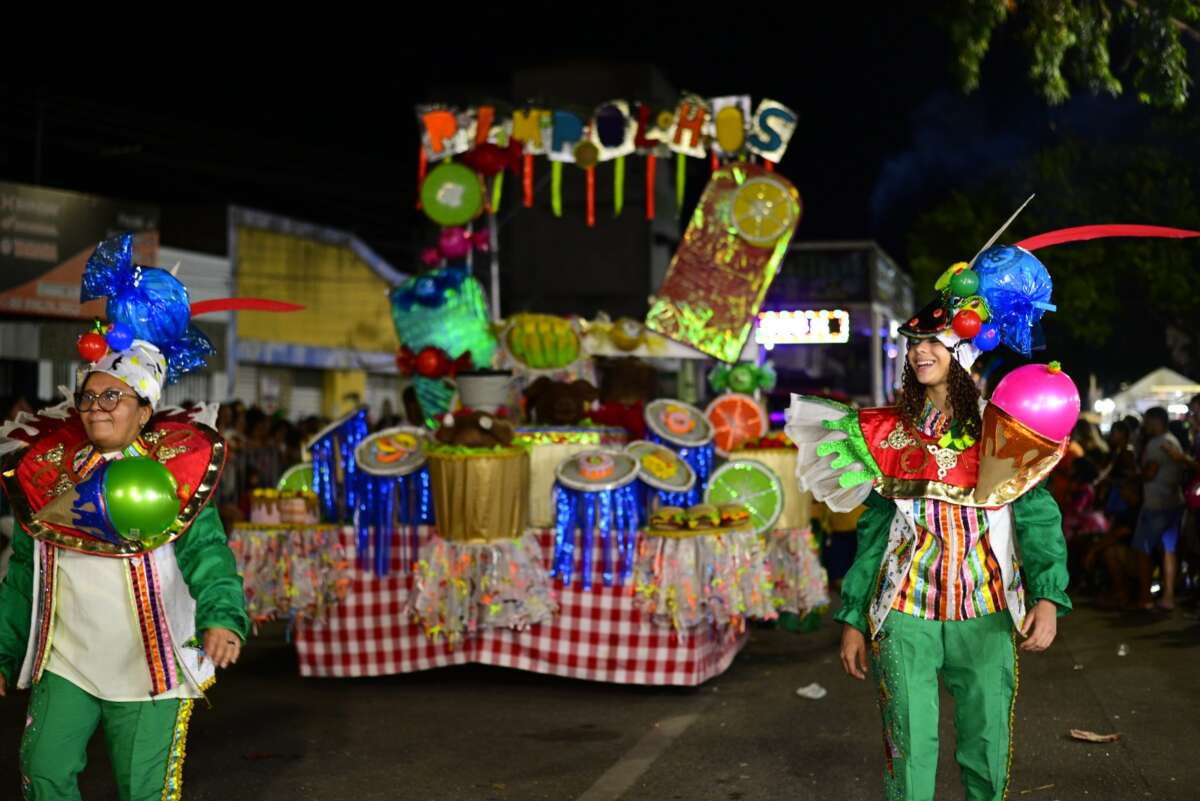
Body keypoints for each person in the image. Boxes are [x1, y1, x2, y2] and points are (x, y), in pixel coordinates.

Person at [787, 243, 1072, 801]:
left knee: (987, 743)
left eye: (932, 342)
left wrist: (1047, 595)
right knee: (909, 745)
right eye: (913, 343)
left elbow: (1037, 516)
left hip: (986, 611)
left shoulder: (1003, 427)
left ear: (963, 351)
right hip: (905, 612)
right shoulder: (886, 433)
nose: (919, 352)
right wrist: (852, 617)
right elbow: (873, 533)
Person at [0, 235, 251, 800]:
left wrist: (222, 617)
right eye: (89, 398)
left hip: (149, 665)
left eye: (113, 398)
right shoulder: (48, 473)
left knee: (144, 791)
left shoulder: (175, 473)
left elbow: (207, 553)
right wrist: (2, 648)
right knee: (43, 773)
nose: (96, 410)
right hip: (66, 660)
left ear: (144, 408)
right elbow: (23, 573)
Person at [1133, 406, 1186, 609]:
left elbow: (1150, 473)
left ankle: (1144, 598)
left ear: (1156, 421)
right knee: (1169, 551)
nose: (1145, 425)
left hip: (1156, 505)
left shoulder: (1158, 444)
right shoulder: (1173, 441)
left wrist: (1136, 475)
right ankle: (1168, 597)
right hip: (1173, 502)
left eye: (1147, 420)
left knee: (1143, 550)